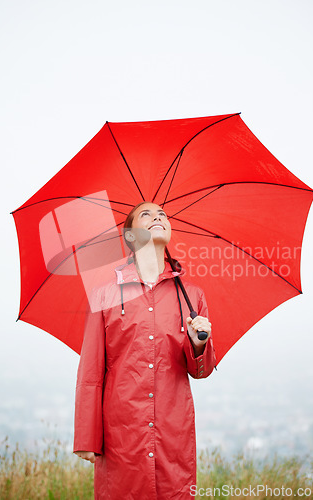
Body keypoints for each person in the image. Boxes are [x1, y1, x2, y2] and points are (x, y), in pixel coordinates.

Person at [73, 202, 216, 499]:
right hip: (121, 433)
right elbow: (91, 371)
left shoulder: (192, 296)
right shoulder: (105, 295)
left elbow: (199, 372)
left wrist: (199, 343)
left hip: (173, 432)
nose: (158, 217)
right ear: (130, 236)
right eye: (146, 215)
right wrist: (87, 437)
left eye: (162, 214)